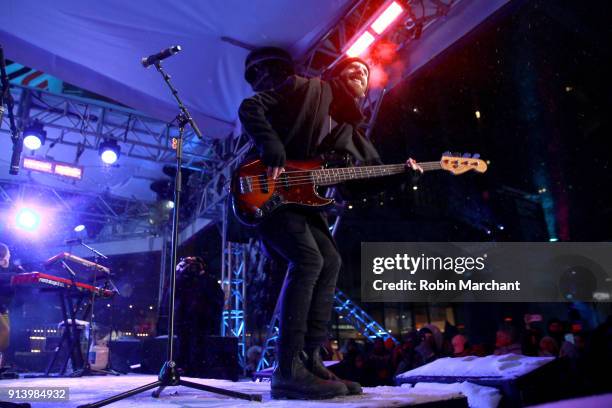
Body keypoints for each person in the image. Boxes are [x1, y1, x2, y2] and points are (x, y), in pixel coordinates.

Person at [239, 56, 422, 399]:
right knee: (308, 260)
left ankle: (308, 362)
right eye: (353, 67)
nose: (360, 71)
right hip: (267, 189)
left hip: (306, 205)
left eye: (366, 72)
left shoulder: (351, 133)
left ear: (366, 89)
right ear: (337, 74)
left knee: (331, 261)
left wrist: (400, 177)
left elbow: (355, 187)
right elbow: (251, 107)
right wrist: (271, 145)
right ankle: (288, 369)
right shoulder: (304, 87)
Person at [0, 243, 12, 366]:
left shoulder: (7, 270)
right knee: (5, 330)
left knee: (6, 339)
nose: (10, 256)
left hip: (2, 307)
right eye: (8, 254)